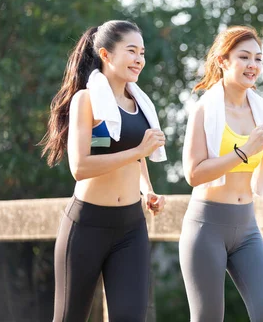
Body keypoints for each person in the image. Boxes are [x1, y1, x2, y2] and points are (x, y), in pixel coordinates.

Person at [40, 20, 167, 322]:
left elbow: (140, 157)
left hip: (131, 227)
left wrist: (146, 189)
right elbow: (80, 167)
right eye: (131, 51)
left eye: (142, 53)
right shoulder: (86, 99)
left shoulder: (140, 104)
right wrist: (138, 151)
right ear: (106, 55)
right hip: (87, 225)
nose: (139, 59)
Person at [180, 25, 263, 321]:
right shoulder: (204, 109)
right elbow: (193, 173)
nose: (253, 65)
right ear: (223, 61)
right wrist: (244, 151)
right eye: (244, 57)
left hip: (247, 227)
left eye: (258, 59)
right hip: (206, 227)